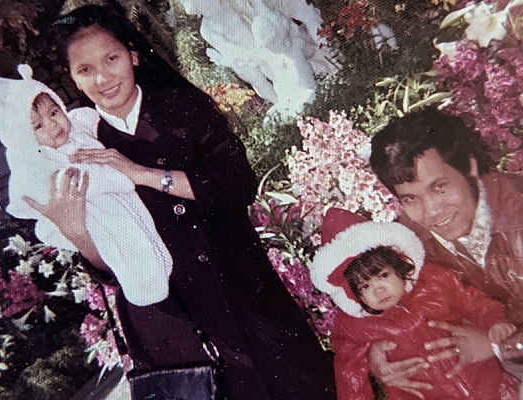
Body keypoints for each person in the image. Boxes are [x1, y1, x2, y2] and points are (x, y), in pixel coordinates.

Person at [42, 4, 336, 399]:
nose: (102, 78)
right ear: (73, 79)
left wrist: (142, 175)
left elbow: (237, 184)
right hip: (175, 319)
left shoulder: (183, 107)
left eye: (111, 58)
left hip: (242, 287)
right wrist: (78, 235)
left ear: (132, 53)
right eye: (85, 70)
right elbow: (113, 269)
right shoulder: (78, 145)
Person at [0, 64, 172, 307]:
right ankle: (146, 287)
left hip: (116, 200)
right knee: (124, 241)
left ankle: (157, 274)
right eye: (38, 126)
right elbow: (52, 191)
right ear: (22, 137)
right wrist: (120, 178)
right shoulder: (35, 164)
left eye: (53, 112)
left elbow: (89, 118)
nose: (53, 125)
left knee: (140, 228)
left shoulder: (76, 131)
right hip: (93, 213)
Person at [368, 107, 523, 397]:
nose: (431, 211)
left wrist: (497, 347)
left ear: (469, 166)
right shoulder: (408, 244)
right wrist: (375, 355)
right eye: (411, 198)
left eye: (439, 187)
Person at [310, 207, 519, 399]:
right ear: (352, 294)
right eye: (365, 287)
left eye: (383, 275)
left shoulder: (434, 282)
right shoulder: (355, 326)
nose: (378, 289)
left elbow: (472, 300)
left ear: (400, 266)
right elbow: (348, 372)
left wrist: (494, 322)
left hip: (489, 383)